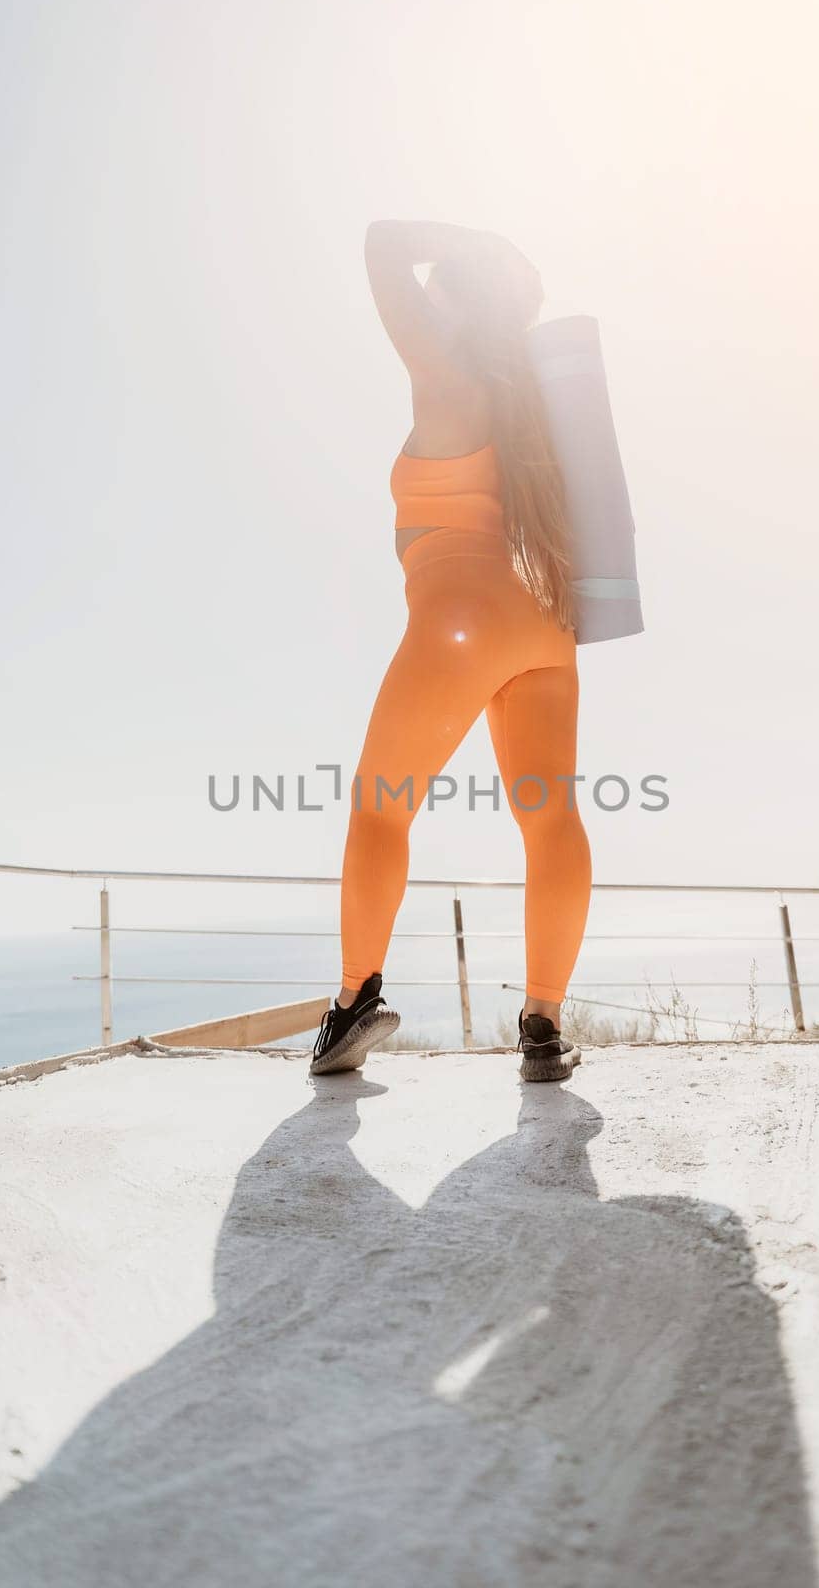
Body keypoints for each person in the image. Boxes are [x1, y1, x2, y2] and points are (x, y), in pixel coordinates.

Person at [311, 219, 592, 1082]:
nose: (426, 298)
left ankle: (354, 1002)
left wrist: (474, 243)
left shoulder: (445, 375)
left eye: (442, 291)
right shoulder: (530, 414)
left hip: (456, 617)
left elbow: (379, 243)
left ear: (459, 302)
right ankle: (542, 1025)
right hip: (542, 625)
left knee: (379, 808)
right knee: (549, 819)